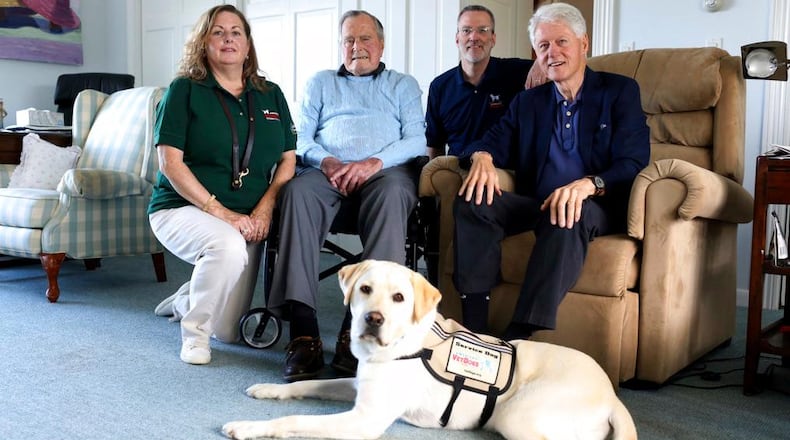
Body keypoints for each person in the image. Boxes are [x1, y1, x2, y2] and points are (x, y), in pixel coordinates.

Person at [452, 2, 650, 338]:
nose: (552, 53)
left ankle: (521, 333)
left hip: (595, 205)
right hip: (537, 203)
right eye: (543, 46)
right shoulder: (530, 102)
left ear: (583, 44)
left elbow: (633, 161)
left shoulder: (618, 92)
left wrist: (589, 184)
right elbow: (487, 142)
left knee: (568, 210)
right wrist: (483, 157)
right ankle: (474, 328)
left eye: (561, 42)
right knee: (474, 198)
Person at [267, 10, 425, 382]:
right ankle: (303, 332)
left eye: (365, 38)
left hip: (384, 174)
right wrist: (329, 161)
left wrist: (373, 162)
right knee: (296, 193)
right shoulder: (320, 82)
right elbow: (300, 137)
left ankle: (359, 330)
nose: (357, 47)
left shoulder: (402, 84)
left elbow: (418, 140)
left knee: (392, 195)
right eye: (349, 40)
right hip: (327, 173)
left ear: (381, 44)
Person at [148, 5, 296, 365]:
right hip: (182, 208)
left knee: (229, 330)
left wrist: (266, 206)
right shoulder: (184, 90)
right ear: (203, 43)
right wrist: (221, 212)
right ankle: (195, 336)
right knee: (227, 247)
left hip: (249, 219)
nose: (228, 38)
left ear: (247, 45)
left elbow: (288, 160)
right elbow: (170, 163)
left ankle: (187, 298)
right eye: (218, 32)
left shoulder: (271, 93)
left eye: (236, 32)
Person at [425, 5, 540, 158]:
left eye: (482, 30)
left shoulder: (514, 72)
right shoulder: (440, 87)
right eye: (466, 30)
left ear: (493, 39)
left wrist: (540, 63)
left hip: (503, 171)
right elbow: (435, 145)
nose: (474, 37)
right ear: (457, 38)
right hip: (458, 170)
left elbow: (557, 63)